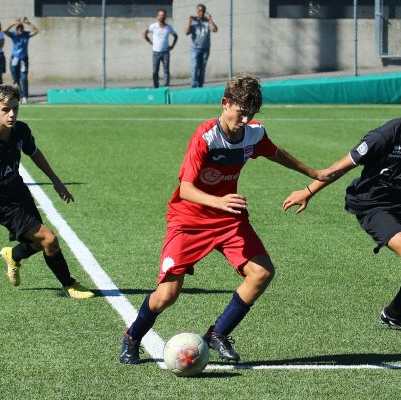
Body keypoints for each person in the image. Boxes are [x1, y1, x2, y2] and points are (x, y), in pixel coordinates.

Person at [119, 76, 320, 364]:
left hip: (228, 220)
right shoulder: (206, 136)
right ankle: (132, 337)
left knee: (262, 273)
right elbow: (186, 190)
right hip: (188, 219)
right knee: (167, 295)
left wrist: (313, 174)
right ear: (224, 104)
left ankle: (218, 333)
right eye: (241, 112)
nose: (246, 118)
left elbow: (276, 154)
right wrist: (220, 201)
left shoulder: (254, 134)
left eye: (251, 113)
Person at [282, 80, 401, 339]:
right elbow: (340, 167)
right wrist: (308, 190)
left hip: (400, 202)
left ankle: (394, 313)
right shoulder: (383, 136)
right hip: (371, 203)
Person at [0, 85, 94, 300]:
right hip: (0, 204)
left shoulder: (21, 130)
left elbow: (34, 153)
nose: (12, 114)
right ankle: (70, 285)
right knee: (49, 239)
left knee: (39, 242)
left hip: (20, 193)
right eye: (6, 109)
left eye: (15, 108)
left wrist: (55, 180)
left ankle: (13, 254)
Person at [4, 17, 39, 104]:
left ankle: (25, 96)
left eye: (21, 27)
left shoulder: (26, 34)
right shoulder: (14, 34)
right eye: (18, 27)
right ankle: (17, 97)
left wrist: (28, 23)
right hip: (15, 59)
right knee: (16, 80)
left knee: (23, 78)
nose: (20, 29)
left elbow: (36, 31)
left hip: (23, 59)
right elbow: (4, 30)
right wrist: (14, 23)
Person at [142, 9, 178, 88]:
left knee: (166, 70)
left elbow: (175, 36)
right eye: (160, 15)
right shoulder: (153, 26)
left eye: (163, 15)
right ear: (157, 16)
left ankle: (166, 86)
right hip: (156, 52)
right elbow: (144, 33)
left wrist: (172, 46)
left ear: (165, 16)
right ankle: (156, 86)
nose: (161, 17)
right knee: (155, 71)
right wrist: (150, 42)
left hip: (165, 52)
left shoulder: (168, 27)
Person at [185, 4, 218, 88]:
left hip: (205, 48)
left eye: (203, 11)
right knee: (194, 66)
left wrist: (210, 19)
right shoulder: (193, 21)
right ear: (197, 11)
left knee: (202, 68)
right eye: (199, 10)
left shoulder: (207, 21)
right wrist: (189, 21)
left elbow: (215, 29)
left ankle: (200, 85)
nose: (201, 12)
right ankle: (193, 85)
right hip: (195, 48)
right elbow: (186, 32)